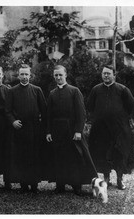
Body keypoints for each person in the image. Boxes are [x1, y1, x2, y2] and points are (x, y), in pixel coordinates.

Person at [46, 65, 97, 195]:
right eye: (56, 75)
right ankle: (60, 185)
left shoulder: (74, 91)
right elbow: (49, 115)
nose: (58, 77)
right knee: (59, 157)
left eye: (60, 75)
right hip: (57, 130)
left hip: (72, 130)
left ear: (65, 75)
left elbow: (81, 113)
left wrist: (78, 130)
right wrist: (48, 132)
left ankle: (76, 185)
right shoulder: (52, 94)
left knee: (75, 157)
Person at [87, 65, 134, 190]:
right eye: (104, 73)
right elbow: (90, 106)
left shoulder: (123, 90)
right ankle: (106, 179)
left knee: (120, 154)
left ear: (114, 75)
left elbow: (131, 106)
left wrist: (123, 119)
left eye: (108, 73)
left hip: (119, 129)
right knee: (103, 153)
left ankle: (120, 180)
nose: (106, 76)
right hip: (101, 129)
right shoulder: (96, 90)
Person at [5, 64, 47, 193]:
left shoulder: (37, 90)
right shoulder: (12, 91)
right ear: (18, 75)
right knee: (21, 156)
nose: (24, 77)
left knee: (34, 156)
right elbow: (7, 111)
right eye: (22, 74)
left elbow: (44, 110)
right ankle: (23, 184)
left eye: (26, 74)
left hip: (34, 129)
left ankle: (34, 184)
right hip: (19, 129)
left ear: (30, 75)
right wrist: (13, 121)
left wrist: (42, 126)